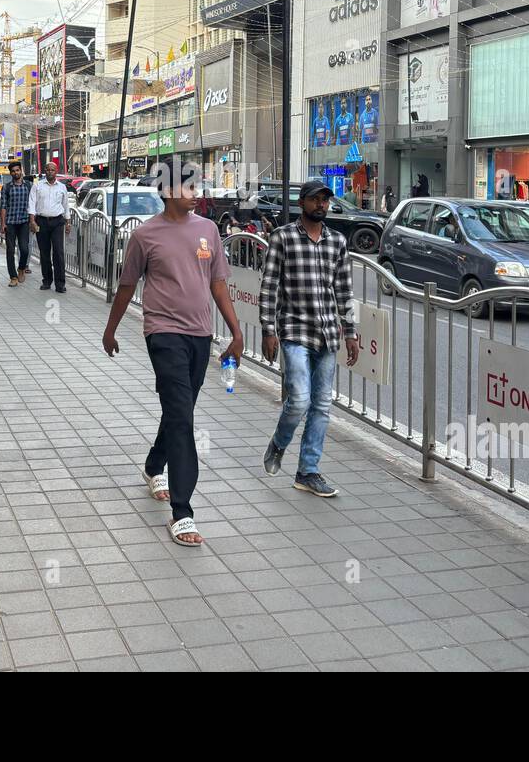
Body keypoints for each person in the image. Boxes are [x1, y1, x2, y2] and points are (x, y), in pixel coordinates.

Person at [103, 159, 243, 549]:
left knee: (179, 409)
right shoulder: (145, 236)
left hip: (200, 334)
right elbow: (127, 287)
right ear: (167, 192)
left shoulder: (209, 230)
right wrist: (110, 330)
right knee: (183, 416)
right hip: (162, 334)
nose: (195, 193)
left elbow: (218, 285)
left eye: (197, 186)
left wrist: (235, 331)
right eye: (187, 187)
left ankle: (153, 465)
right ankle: (183, 513)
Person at [260, 179, 359, 498]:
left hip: (328, 333)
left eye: (326, 200)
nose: (321, 205)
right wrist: (267, 330)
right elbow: (269, 287)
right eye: (315, 199)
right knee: (299, 400)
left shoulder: (337, 242)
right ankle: (278, 443)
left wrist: (350, 331)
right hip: (294, 331)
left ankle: (308, 472)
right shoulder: (283, 237)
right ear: (301, 203)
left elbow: (344, 290)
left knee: (321, 406)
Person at [28, 161, 71, 293]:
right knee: (44, 252)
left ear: (56, 171)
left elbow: (66, 205)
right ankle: (47, 280)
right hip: (42, 222)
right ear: (45, 171)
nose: (50, 172)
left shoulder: (62, 187)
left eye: (53, 170)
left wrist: (68, 222)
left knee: (58, 252)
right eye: (48, 169)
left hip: (58, 222)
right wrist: (32, 221)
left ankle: (60, 284)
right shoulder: (37, 186)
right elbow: (32, 204)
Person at [0, 160, 32, 287]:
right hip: (10, 223)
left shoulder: (29, 186)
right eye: (13, 171)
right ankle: (13, 276)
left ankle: (21, 268)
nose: (15, 173)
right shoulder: (6, 187)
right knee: (10, 250)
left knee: (24, 249)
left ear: (21, 171)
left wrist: (33, 221)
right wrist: (3, 223)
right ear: (10, 173)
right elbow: (3, 206)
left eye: (17, 170)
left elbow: (33, 204)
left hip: (24, 222)